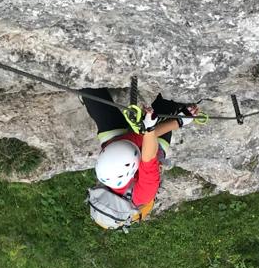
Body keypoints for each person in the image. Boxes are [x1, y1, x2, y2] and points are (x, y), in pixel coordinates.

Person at [80, 87, 199, 224]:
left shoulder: (107, 168)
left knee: (91, 94)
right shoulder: (145, 193)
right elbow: (148, 152)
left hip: (120, 143)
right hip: (150, 150)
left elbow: (137, 136)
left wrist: (146, 127)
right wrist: (178, 121)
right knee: (168, 104)